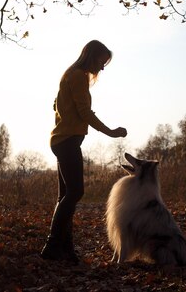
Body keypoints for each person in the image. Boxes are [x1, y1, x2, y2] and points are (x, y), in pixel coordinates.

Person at [40, 40, 127, 263]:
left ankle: (65, 250)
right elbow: (84, 112)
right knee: (75, 192)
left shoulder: (71, 75)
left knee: (66, 196)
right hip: (67, 141)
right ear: (92, 56)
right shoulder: (78, 76)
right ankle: (52, 247)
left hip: (64, 140)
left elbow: (56, 104)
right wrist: (110, 131)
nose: (103, 67)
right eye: (102, 61)